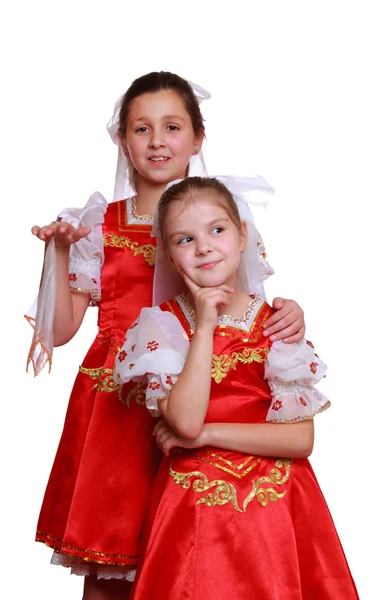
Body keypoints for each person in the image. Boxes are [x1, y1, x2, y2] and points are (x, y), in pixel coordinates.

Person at [28, 72, 305, 600]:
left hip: (206, 397)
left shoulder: (214, 218)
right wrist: (58, 252)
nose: (157, 141)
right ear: (122, 141)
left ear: (197, 138)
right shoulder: (97, 225)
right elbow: (60, 333)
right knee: (112, 561)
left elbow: (247, 309)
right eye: (141, 129)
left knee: (194, 557)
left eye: (172, 127)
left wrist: (292, 314)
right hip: (120, 409)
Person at [115, 176, 359, 599]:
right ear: (171, 257)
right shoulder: (162, 326)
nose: (204, 246)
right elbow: (186, 421)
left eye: (217, 229)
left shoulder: (278, 325)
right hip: (193, 513)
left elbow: (300, 439)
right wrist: (205, 326)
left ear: (243, 234)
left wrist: (210, 435)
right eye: (185, 239)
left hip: (279, 509)